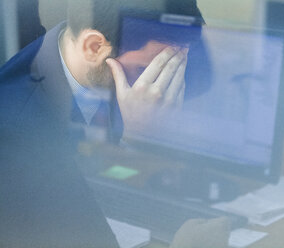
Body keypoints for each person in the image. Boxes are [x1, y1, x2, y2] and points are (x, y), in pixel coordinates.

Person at [0, 0, 221, 247]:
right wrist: (138, 141)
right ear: (93, 47)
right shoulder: (17, 136)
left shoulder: (72, 51)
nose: (157, 89)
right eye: (147, 70)